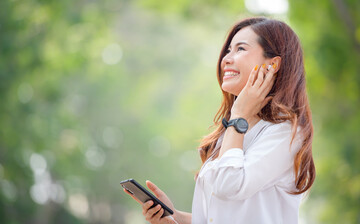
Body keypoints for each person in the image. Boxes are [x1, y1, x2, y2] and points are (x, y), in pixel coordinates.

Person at [124, 17, 316, 224]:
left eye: (240, 49)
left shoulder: (285, 132)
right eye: (228, 50)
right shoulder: (230, 133)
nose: (226, 59)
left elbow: (228, 185)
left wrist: (239, 116)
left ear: (272, 64)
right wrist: (174, 216)